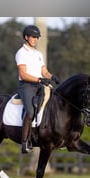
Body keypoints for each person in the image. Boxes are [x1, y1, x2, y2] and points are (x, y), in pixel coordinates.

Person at [15, 25, 59, 153]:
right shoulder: (21, 53)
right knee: (30, 111)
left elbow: (44, 71)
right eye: (33, 37)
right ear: (26, 37)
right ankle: (24, 142)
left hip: (40, 85)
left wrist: (52, 76)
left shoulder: (38, 54)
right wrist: (39, 80)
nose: (35, 39)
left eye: (37, 37)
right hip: (26, 86)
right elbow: (23, 74)